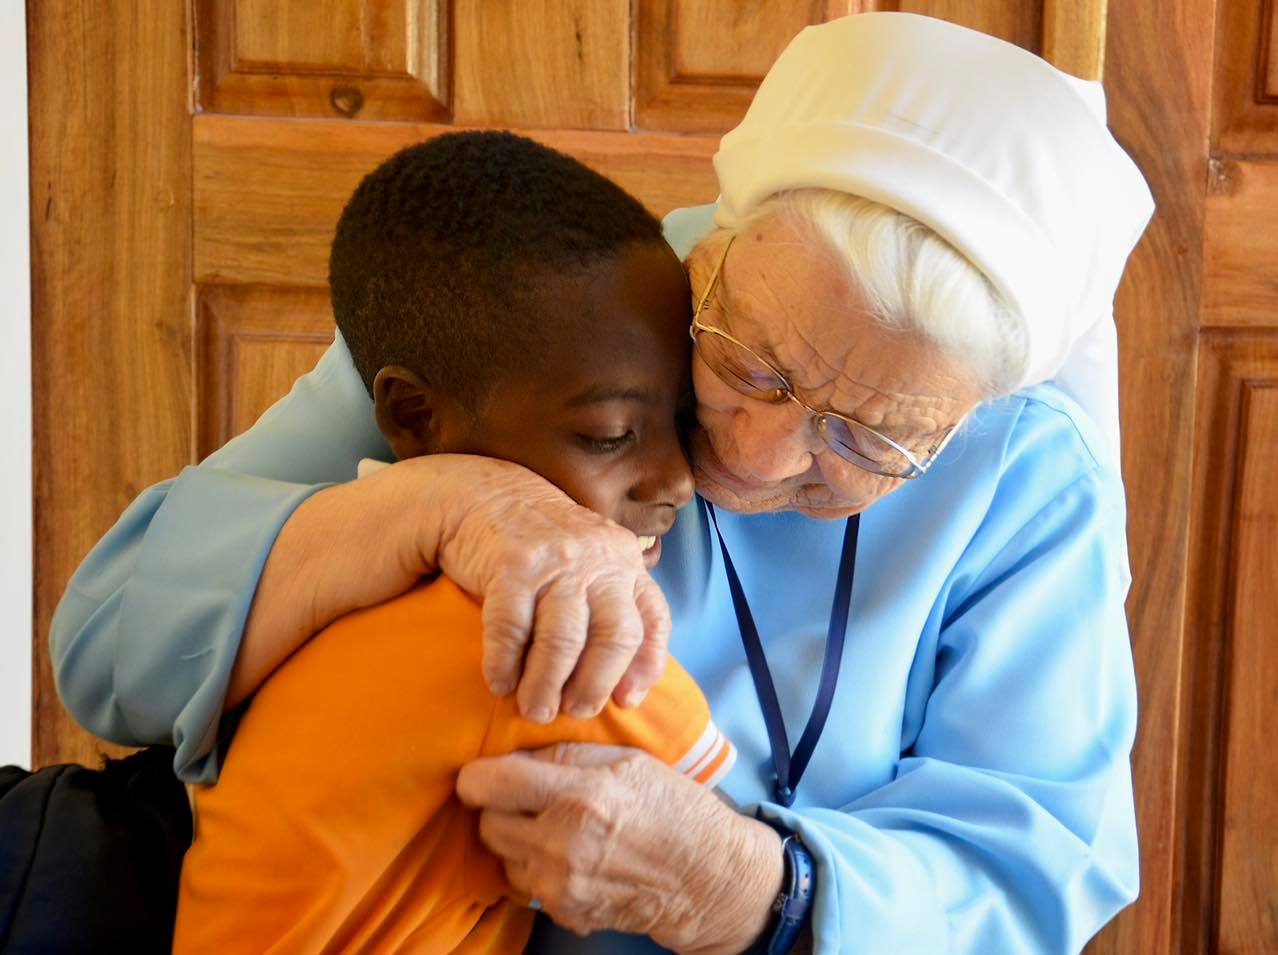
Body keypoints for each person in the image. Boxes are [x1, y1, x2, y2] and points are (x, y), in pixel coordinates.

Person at [51, 13, 1154, 954]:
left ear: (964, 414)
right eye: (751, 361)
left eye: (870, 437)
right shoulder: (554, 306)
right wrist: (443, 505)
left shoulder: (1028, 470)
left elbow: (1042, 867)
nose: (761, 454)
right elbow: (107, 650)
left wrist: (754, 890)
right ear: (720, 243)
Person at [173, 131, 737, 954]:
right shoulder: (519, 635)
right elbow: (728, 848)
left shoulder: (342, 589)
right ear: (415, 416)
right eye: (610, 435)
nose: (677, 479)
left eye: (681, 421)